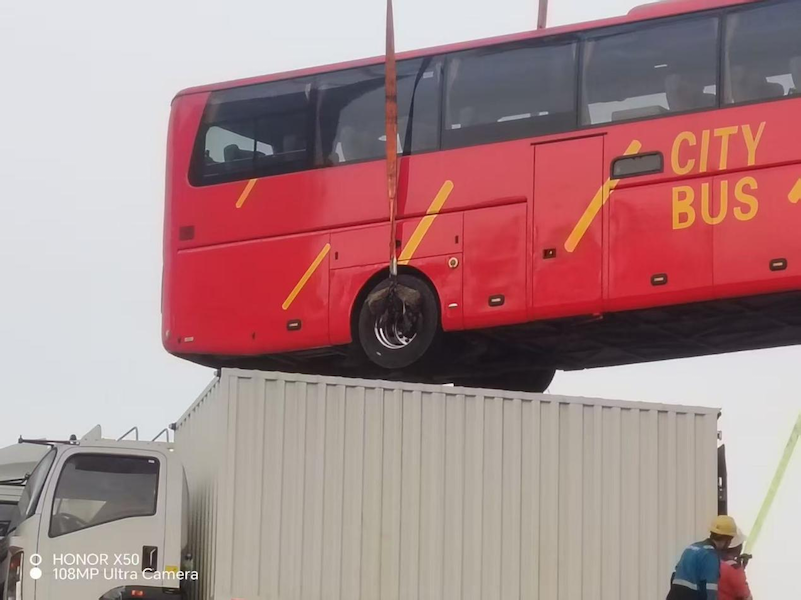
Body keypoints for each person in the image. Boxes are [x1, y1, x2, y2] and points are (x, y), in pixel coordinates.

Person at [666, 515, 738, 600]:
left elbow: (675, 575)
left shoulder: (691, 548)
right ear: (727, 539)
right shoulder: (710, 555)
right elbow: (710, 590)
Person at [719, 528, 753, 600]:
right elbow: (746, 597)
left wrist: (741, 567)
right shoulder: (734, 569)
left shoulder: (713, 560)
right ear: (737, 547)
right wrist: (740, 570)